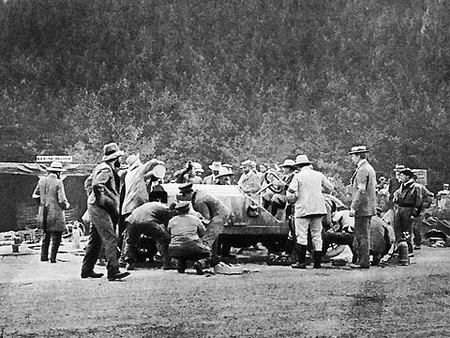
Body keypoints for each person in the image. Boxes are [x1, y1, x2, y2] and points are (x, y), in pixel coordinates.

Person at [81, 143, 130, 281]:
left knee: (95, 239)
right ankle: (113, 270)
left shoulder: (101, 167)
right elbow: (97, 185)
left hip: (96, 207)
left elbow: (88, 183)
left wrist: (91, 198)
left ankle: (86, 270)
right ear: (116, 158)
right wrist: (101, 200)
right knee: (110, 237)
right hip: (101, 208)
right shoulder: (106, 170)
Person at [286, 154, 334, 269]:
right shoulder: (319, 175)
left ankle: (301, 262)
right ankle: (317, 262)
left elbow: (290, 192)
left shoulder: (298, 177)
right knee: (317, 235)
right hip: (318, 208)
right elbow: (330, 188)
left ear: (298, 166)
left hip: (303, 208)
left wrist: (293, 199)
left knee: (301, 234)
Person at [177, 182, 231, 265]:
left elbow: (207, 218)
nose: (184, 198)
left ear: (189, 193)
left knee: (207, 239)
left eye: (184, 196)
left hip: (218, 215)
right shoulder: (198, 193)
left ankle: (202, 262)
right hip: (218, 213)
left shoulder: (199, 201)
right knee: (213, 237)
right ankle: (213, 259)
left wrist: (198, 227)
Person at [32, 161, 70, 263]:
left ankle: (43, 257)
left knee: (46, 234)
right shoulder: (58, 182)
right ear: (58, 172)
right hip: (55, 213)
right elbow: (62, 200)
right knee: (57, 236)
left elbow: (34, 195)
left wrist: (42, 203)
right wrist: (66, 206)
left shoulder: (41, 181)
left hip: (43, 212)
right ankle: (53, 258)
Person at [348, 145, 377, 269]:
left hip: (362, 208)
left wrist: (354, 206)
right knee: (363, 234)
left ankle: (363, 261)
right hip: (367, 207)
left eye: (353, 156)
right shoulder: (368, 168)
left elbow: (361, 190)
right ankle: (363, 260)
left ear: (358, 156)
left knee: (362, 235)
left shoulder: (362, 170)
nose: (352, 159)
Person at [120, 154, 164, 236]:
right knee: (135, 234)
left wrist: (154, 173)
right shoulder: (138, 171)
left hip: (128, 208)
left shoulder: (130, 174)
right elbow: (149, 164)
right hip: (135, 207)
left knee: (131, 235)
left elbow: (145, 177)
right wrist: (158, 162)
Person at [121, 202, 172, 270]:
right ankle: (167, 263)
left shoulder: (154, 205)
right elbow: (167, 226)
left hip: (131, 220)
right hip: (147, 221)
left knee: (130, 242)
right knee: (163, 238)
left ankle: (130, 263)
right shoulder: (167, 210)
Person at [167, 201, 211, 275]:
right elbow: (203, 233)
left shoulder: (171, 221)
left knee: (181, 253)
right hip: (193, 247)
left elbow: (169, 232)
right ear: (188, 209)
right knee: (208, 253)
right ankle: (200, 263)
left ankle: (180, 265)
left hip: (175, 248)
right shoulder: (195, 219)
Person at [393, 168, 422, 254]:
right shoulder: (402, 185)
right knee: (397, 230)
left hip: (408, 210)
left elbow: (418, 202)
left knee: (407, 231)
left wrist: (414, 214)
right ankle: (400, 249)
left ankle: (408, 250)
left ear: (407, 176)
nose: (400, 177)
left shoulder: (416, 187)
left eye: (402, 175)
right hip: (399, 208)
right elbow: (397, 194)